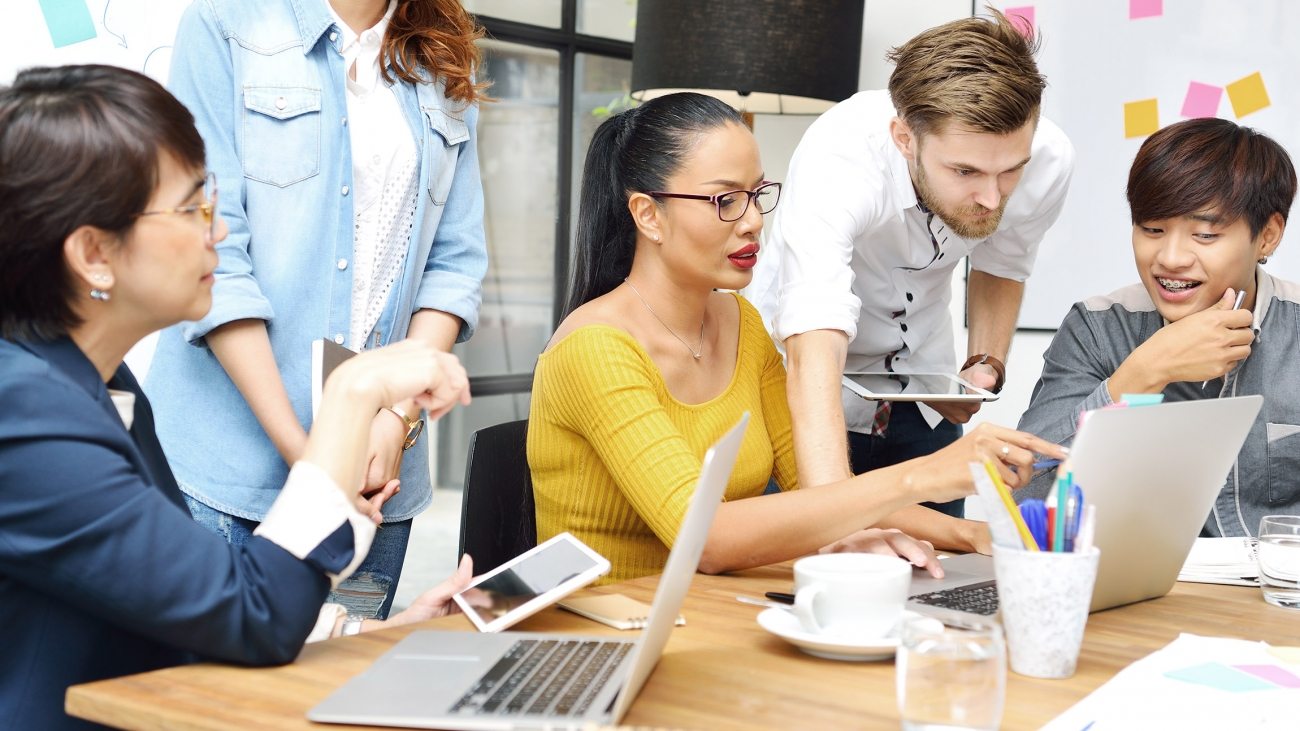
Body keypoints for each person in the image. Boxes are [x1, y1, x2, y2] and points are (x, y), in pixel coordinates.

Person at [0, 65, 477, 731]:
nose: (218, 232)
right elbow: (253, 609)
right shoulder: (25, 415)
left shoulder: (93, 382)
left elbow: (191, 600)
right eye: (194, 207)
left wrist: (383, 634)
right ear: (93, 254)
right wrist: (351, 391)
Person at [527, 92, 1065, 585]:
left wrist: (974, 536)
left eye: (758, 194)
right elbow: (707, 540)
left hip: (710, 614)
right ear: (648, 214)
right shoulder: (595, 348)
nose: (754, 221)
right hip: (604, 631)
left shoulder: (741, 324)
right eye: (725, 201)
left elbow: (823, 495)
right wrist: (925, 474)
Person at [145, 0, 488, 619]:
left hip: (378, 472)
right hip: (229, 460)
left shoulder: (442, 52)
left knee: (343, 689)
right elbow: (216, 250)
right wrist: (311, 457)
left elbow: (455, 264)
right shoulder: (226, 24)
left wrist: (391, 422)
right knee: (219, 704)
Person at [745, 9, 1075, 550]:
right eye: (965, 172)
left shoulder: (1050, 158)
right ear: (905, 138)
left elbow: (1004, 263)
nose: (993, 197)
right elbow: (814, 340)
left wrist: (984, 365)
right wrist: (840, 525)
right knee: (822, 576)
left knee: (944, 579)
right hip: (805, 398)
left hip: (923, 397)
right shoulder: (842, 157)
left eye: (1010, 170)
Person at [1016, 117, 1299, 537]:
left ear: (1268, 236)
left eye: (1204, 235)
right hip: (1145, 592)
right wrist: (1145, 372)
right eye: (1152, 229)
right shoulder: (1097, 329)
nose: (1169, 258)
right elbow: (1027, 499)